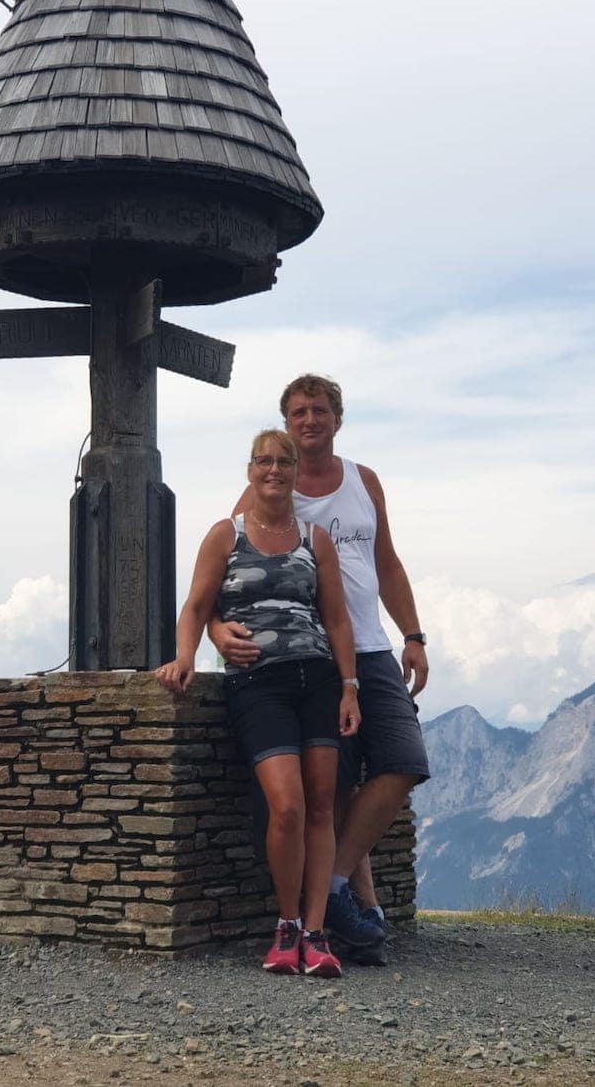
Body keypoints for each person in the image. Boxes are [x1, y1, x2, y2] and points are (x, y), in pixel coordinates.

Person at [211, 375, 430, 963]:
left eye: (320, 410)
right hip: (307, 655)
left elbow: (387, 563)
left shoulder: (364, 481)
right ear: (286, 423)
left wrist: (412, 635)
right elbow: (229, 571)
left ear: (337, 418)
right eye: (299, 412)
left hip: (370, 648)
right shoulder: (268, 484)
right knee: (331, 788)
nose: (309, 420)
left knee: (403, 760)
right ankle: (350, 914)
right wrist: (215, 630)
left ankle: (330, 890)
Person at [155, 428, 361, 977]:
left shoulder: (316, 539)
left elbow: (337, 619)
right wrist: (185, 657)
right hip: (258, 682)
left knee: (321, 807)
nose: (274, 471)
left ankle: (315, 934)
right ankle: (286, 925)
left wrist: (349, 687)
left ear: (295, 472)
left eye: (283, 462)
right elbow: (196, 606)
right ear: (250, 471)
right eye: (264, 462)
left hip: (318, 678)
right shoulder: (227, 534)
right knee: (287, 805)